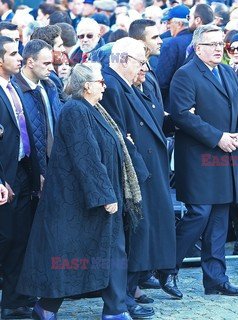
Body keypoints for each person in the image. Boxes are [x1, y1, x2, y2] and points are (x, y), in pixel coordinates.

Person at [16, 62, 136, 320]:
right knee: (68, 256)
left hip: (95, 195)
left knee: (112, 251)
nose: (105, 87)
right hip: (76, 200)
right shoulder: (75, 110)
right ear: (87, 86)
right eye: (101, 82)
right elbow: (86, 156)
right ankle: (47, 307)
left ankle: (115, 309)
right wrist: (105, 195)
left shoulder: (94, 109)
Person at [170, 24, 238, 296]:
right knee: (199, 214)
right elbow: (181, 114)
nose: (220, 49)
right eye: (213, 44)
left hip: (225, 157)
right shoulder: (185, 74)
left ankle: (216, 279)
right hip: (198, 158)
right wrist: (217, 137)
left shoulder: (227, 71)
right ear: (197, 47)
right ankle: (166, 269)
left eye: (221, 44)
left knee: (219, 218)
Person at [100, 37, 175, 319]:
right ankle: (125, 297)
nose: (143, 67)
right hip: (134, 171)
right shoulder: (112, 84)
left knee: (144, 234)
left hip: (145, 168)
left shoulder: (125, 84)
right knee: (136, 236)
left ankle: (129, 293)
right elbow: (120, 132)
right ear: (122, 59)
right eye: (139, 62)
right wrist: (139, 167)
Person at [0, 35, 41, 320]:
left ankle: (15, 301)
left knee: (20, 239)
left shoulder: (14, 87)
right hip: (4, 177)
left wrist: (36, 172)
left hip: (23, 172)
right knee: (7, 239)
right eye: (13, 53)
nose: (19, 57)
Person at [13, 39, 63, 177]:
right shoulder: (14, 90)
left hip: (54, 165)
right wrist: (37, 173)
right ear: (30, 62)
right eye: (46, 64)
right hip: (27, 173)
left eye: (51, 63)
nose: (51, 68)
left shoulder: (50, 86)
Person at [155, 5, 191, 111]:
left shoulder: (171, 44)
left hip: (174, 105)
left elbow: (162, 81)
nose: (167, 27)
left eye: (169, 23)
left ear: (179, 24)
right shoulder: (199, 40)